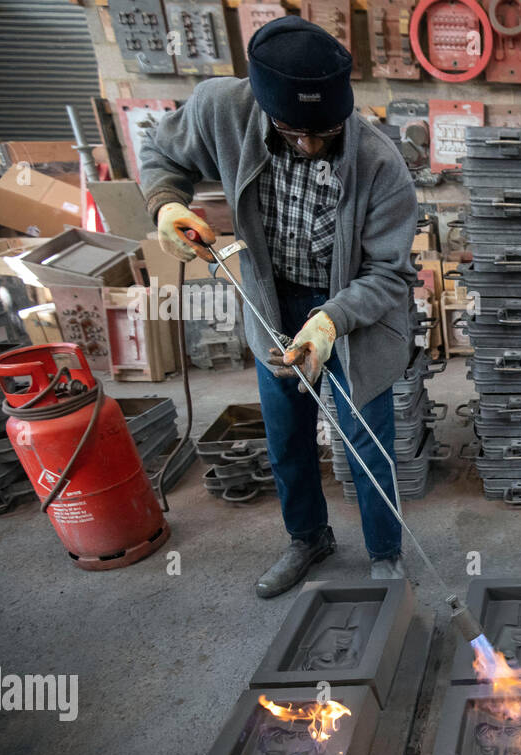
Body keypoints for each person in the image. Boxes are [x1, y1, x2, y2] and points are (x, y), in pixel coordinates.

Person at [138, 17, 417, 597]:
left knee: (367, 438)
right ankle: (308, 539)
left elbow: (389, 273)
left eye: (326, 132)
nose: (312, 145)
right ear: (265, 106)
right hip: (272, 301)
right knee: (287, 436)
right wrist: (167, 205)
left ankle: (386, 554)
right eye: (296, 133)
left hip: (352, 315)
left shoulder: (381, 163)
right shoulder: (221, 108)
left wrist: (330, 322)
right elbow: (163, 154)